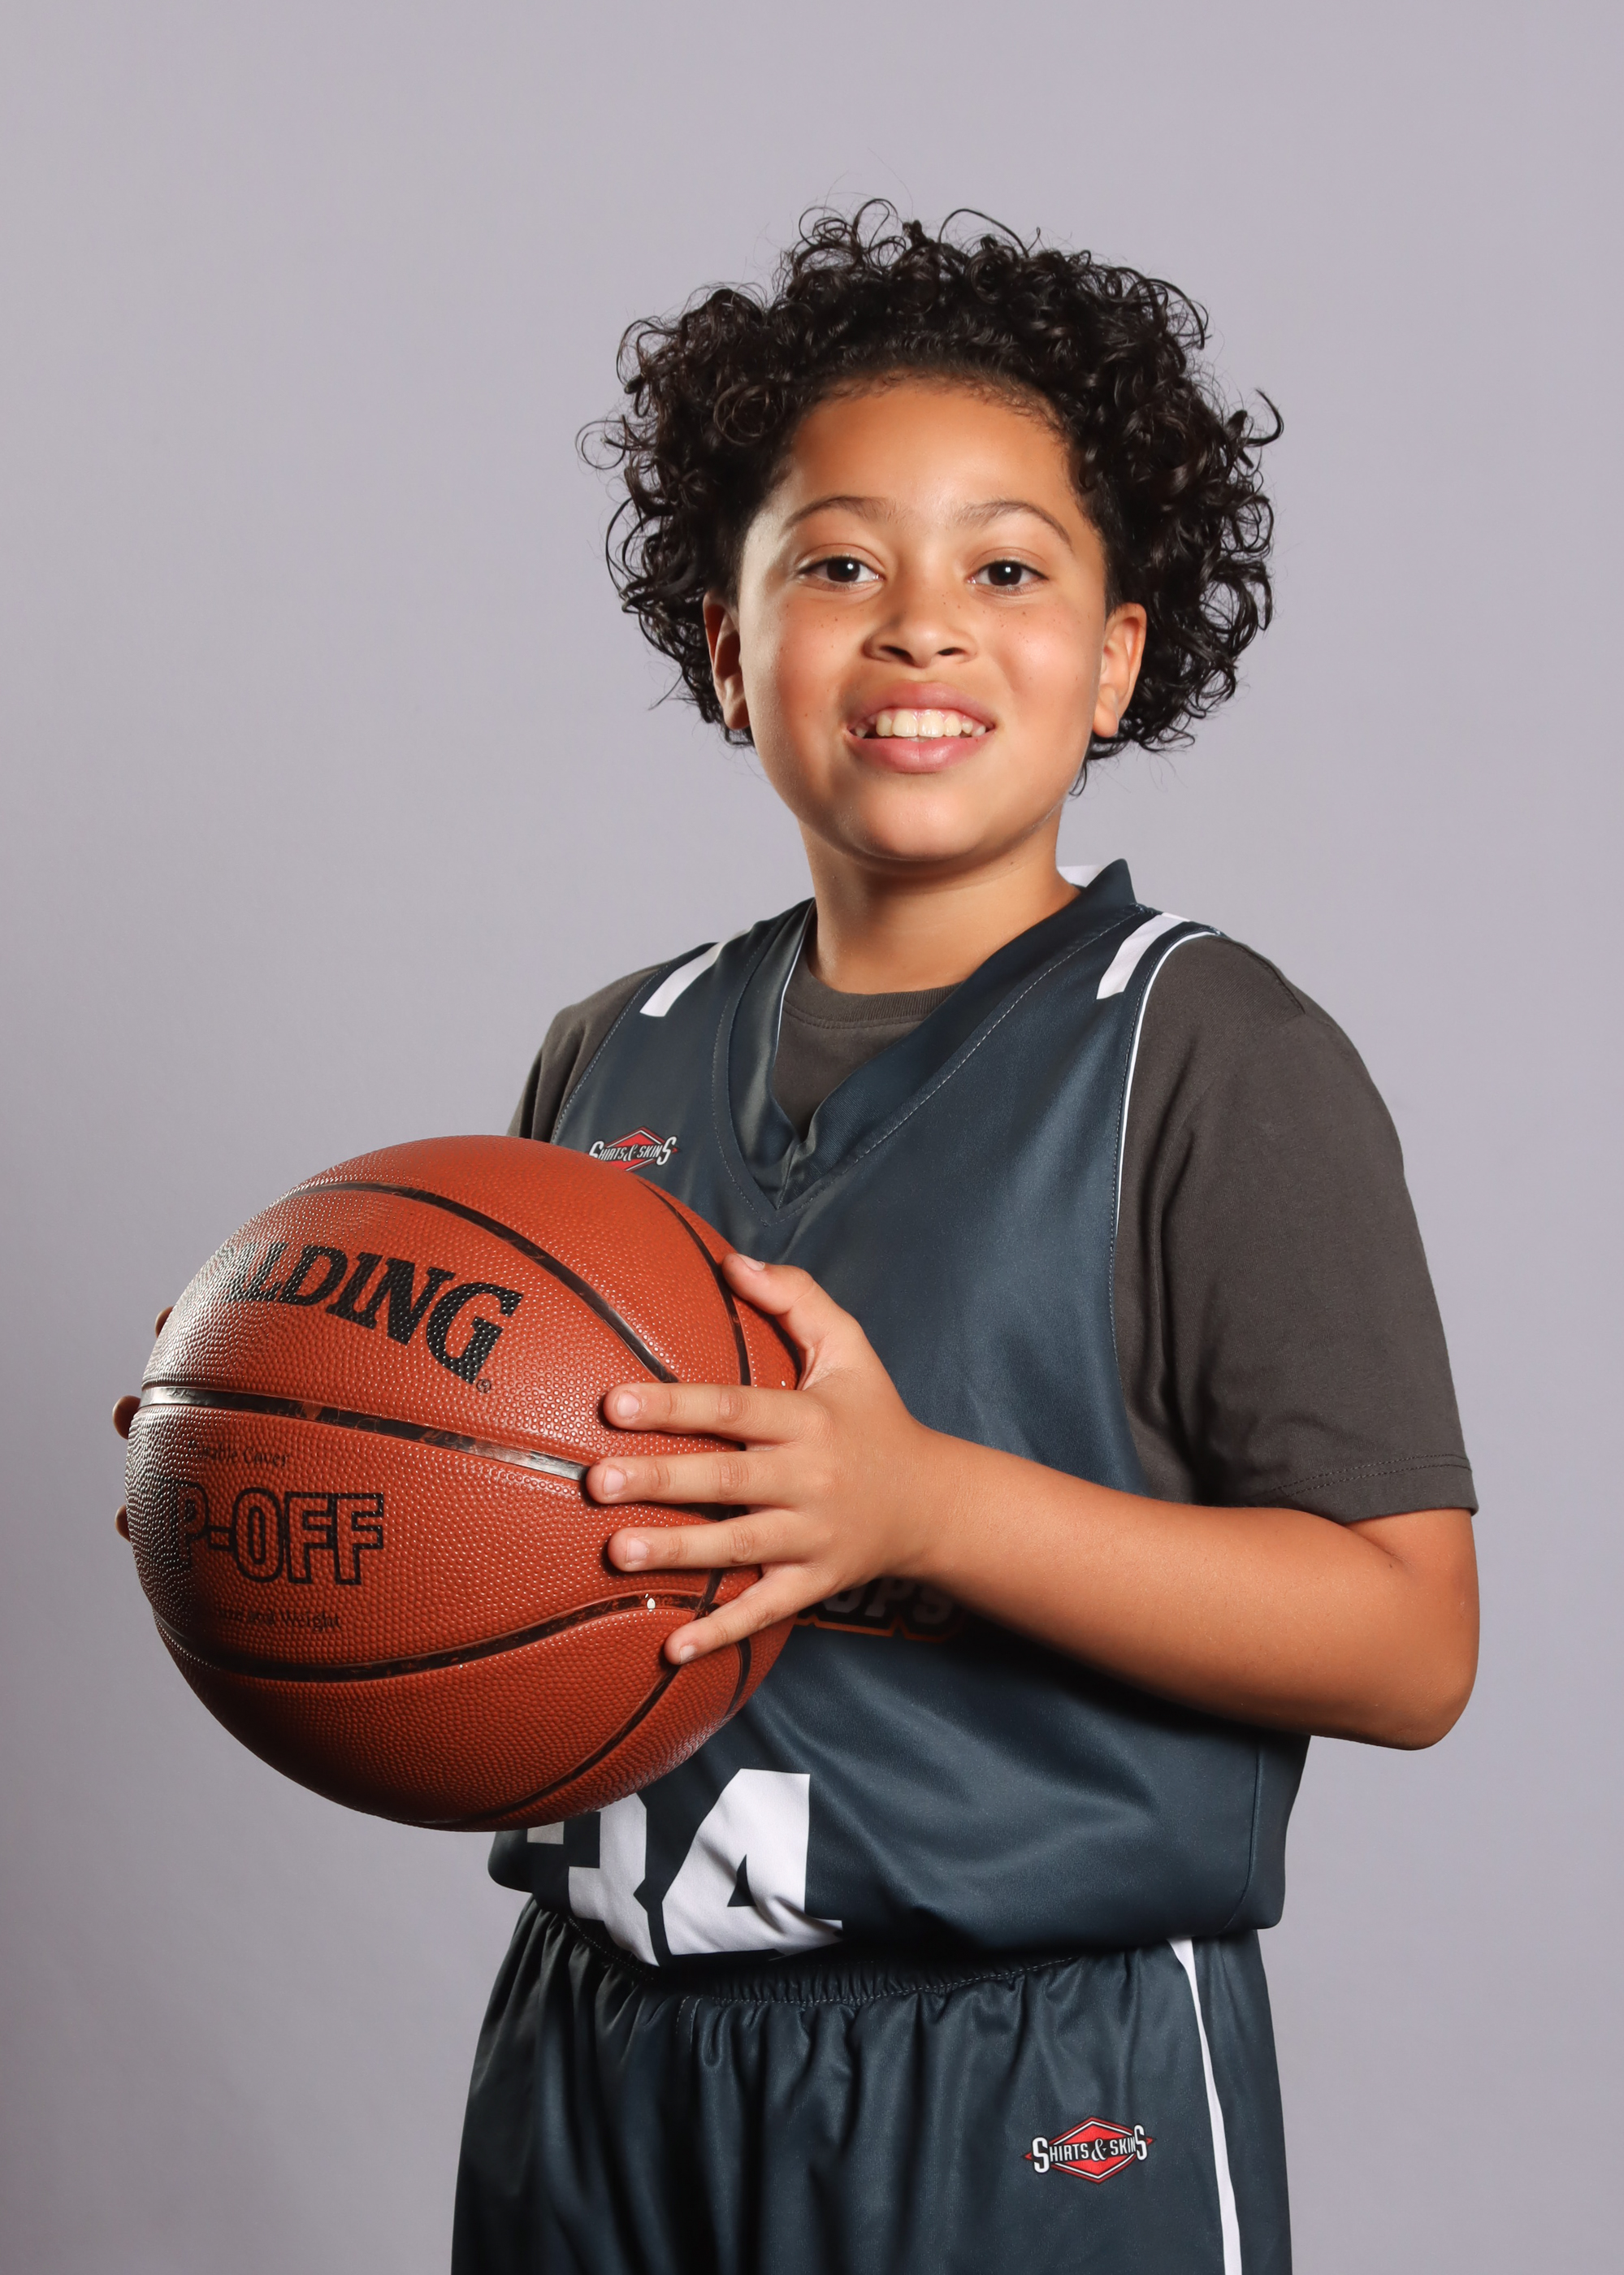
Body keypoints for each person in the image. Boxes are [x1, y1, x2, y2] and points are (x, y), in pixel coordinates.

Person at [129, 207, 1479, 2274]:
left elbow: (1409, 1639)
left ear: (1119, 656)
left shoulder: (1206, 1051)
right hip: (604, 2050)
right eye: (839, 565)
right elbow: (487, 1501)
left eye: (1005, 570)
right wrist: (250, 1449)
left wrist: (920, 1502)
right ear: (723, 642)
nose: (921, 628)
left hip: (1024, 2067)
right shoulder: (615, 1043)